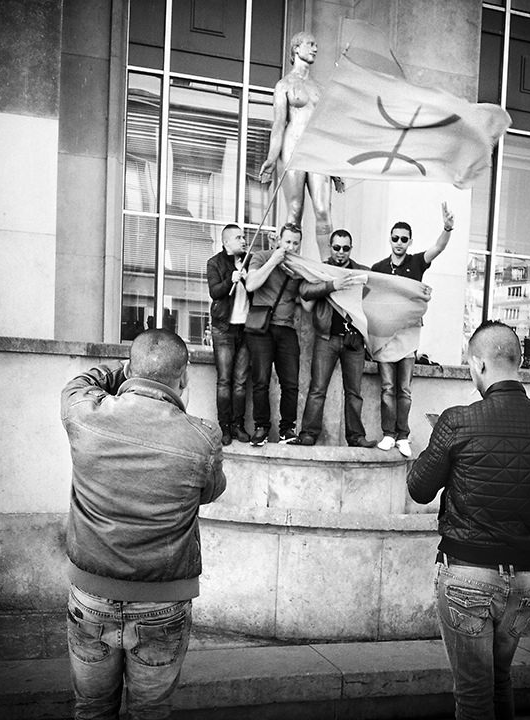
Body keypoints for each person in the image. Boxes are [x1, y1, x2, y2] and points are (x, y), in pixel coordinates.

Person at [407, 320, 530, 720]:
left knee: (474, 696)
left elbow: (419, 488)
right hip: (524, 581)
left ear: (478, 364)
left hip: (467, 575)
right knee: (500, 682)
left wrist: (441, 444)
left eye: (470, 365)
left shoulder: (458, 420)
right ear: (517, 362)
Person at [60, 329, 226, 720]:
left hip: (90, 598)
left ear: (129, 369)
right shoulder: (203, 438)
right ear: (184, 378)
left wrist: (119, 374)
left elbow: (78, 384)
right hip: (163, 604)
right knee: (150, 713)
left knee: (91, 710)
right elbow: (210, 491)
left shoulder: (84, 414)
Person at [371, 201, 455, 457]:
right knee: (387, 388)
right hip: (385, 337)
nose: (399, 242)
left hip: (408, 335)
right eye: (395, 238)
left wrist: (447, 229)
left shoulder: (417, 263)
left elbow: (438, 248)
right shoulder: (379, 269)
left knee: (404, 390)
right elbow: (369, 301)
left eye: (404, 239)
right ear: (390, 239)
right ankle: (388, 434)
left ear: (409, 241)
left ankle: (403, 436)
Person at [259, 31, 343, 260]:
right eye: (311, 44)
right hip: (292, 147)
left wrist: (335, 169)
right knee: (294, 211)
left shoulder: (319, 88)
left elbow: (326, 129)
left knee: (324, 210)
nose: (315, 49)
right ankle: (288, 263)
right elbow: (278, 123)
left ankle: (328, 264)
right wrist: (271, 157)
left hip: (316, 152)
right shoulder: (284, 84)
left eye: (316, 45)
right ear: (296, 48)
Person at [293, 229, 376, 447]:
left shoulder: (362, 272)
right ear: (330, 247)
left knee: (354, 393)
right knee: (318, 389)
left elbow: (380, 293)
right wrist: (332, 285)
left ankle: (356, 437)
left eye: (345, 248)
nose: (341, 252)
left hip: (354, 340)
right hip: (326, 337)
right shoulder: (321, 269)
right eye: (337, 247)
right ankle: (309, 433)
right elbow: (304, 290)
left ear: (351, 248)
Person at [244, 222, 305, 446]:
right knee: (260, 380)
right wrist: (274, 261)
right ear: (279, 240)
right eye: (287, 241)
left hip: (287, 328)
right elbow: (251, 284)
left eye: (295, 243)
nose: (290, 247)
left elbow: (306, 298)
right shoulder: (261, 256)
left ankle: (287, 430)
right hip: (262, 328)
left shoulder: (299, 267)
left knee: (291, 383)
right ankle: (261, 427)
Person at [206, 223, 251, 445]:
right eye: (238, 238)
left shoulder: (250, 261)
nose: (243, 241)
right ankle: (224, 427)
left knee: (241, 381)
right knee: (224, 380)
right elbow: (214, 292)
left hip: (246, 329)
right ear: (226, 242)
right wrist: (230, 280)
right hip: (223, 328)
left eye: (244, 237)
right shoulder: (214, 263)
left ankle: (238, 425)